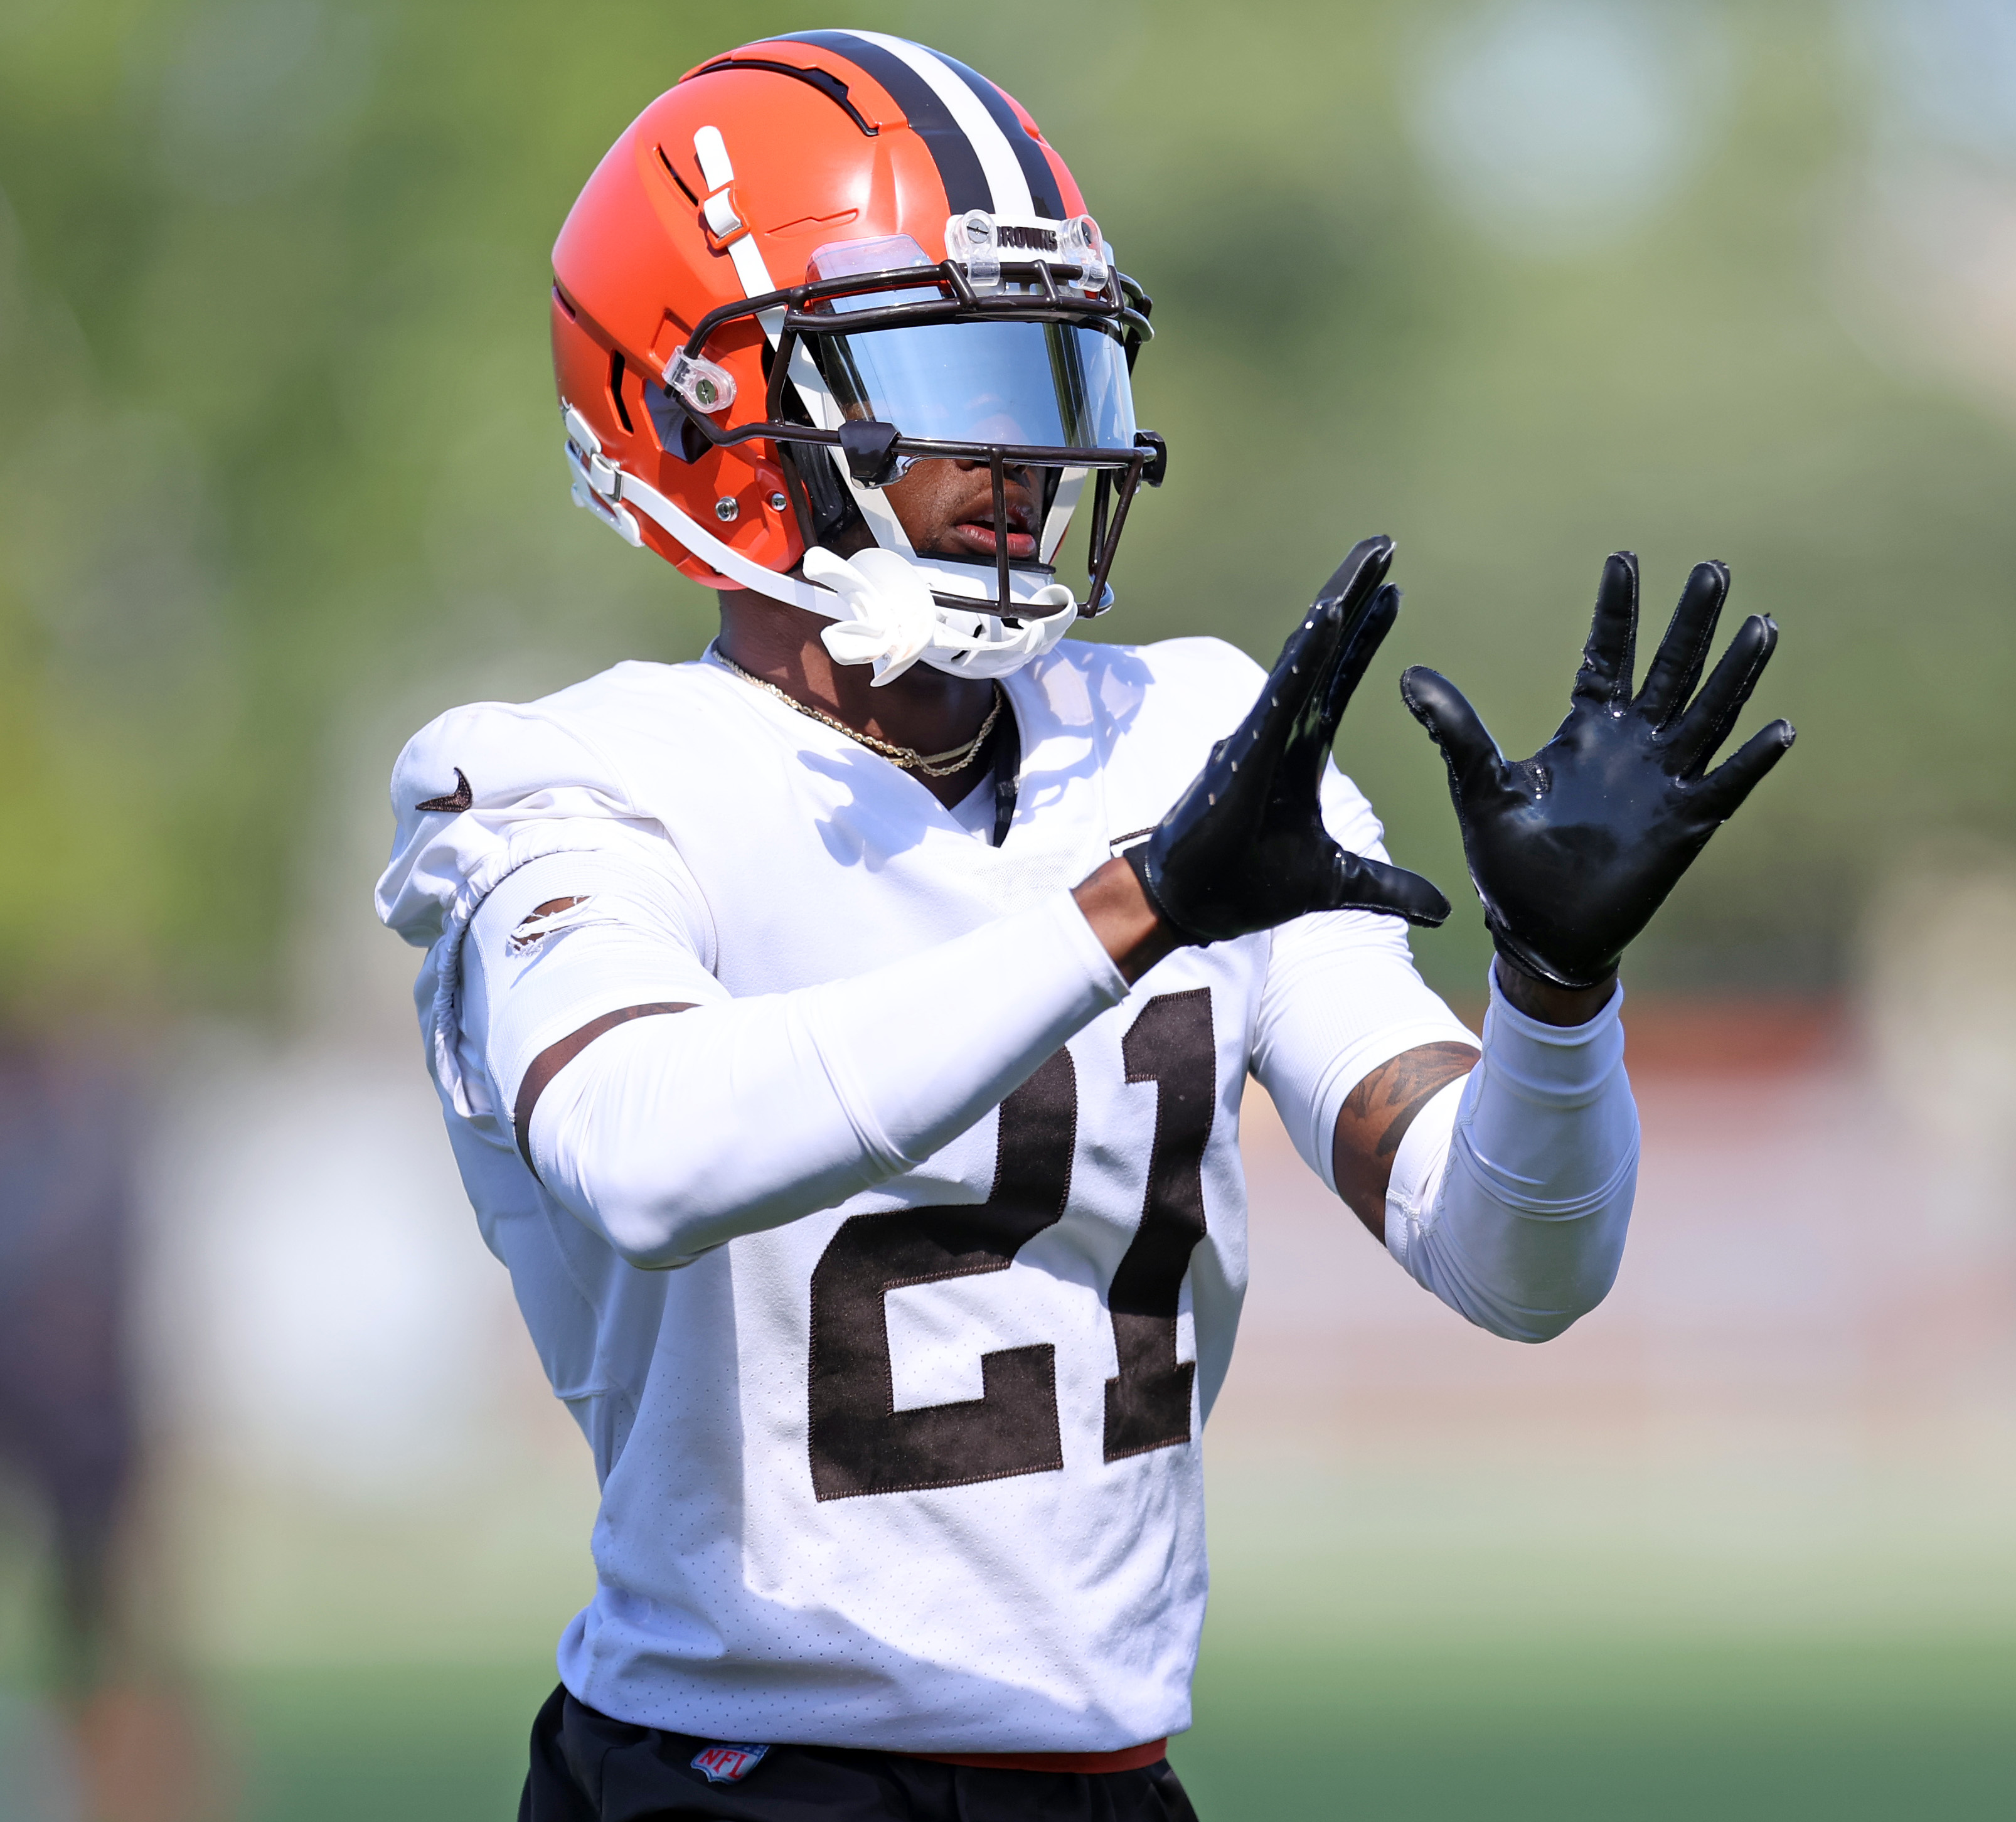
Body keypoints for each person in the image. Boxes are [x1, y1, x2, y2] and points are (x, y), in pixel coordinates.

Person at [373, 32, 1792, 1821]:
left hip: (1108, 1778)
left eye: (1046, 369)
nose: (1022, 450)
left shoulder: (1190, 739)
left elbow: (1519, 1265)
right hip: (726, 1779)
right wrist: (1135, 907)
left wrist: (1556, 991)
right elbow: (647, 1152)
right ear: (704, 412)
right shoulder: (561, 783)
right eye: (938, 370)